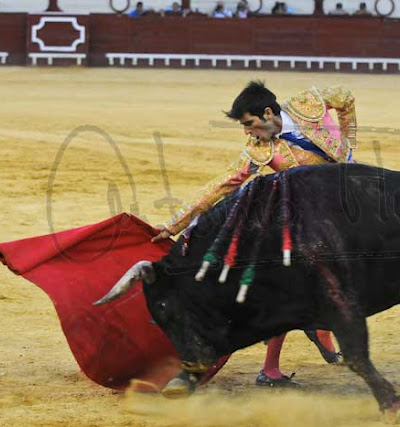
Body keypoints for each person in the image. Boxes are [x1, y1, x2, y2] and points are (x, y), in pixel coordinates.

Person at [153, 81, 357, 390]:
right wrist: (173, 225)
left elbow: (345, 97)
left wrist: (350, 144)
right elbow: (222, 184)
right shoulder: (258, 150)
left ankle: (318, 331)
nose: (248, 132)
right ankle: (270, 370)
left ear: (268, 113)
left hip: (345, 203)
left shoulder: (307, 103)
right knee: (289, 285)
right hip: (306, 218)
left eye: (249, 124)